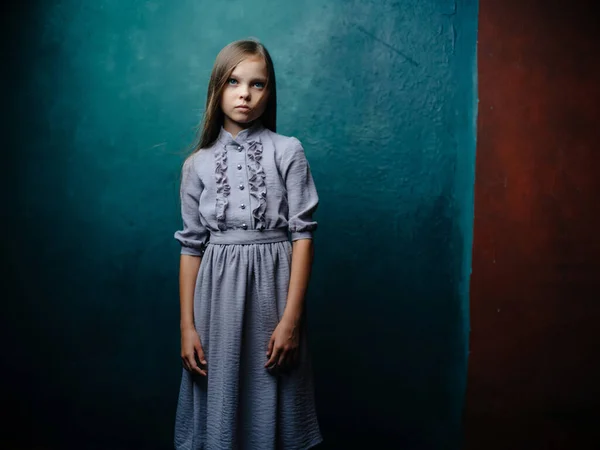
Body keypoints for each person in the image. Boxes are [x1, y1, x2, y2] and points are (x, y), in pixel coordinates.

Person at [173, 38, 323, 450]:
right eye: (234, 82)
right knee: (219, 407)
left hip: (274, 298)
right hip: (215, 303)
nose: (245, 93)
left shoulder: (288, 151)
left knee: (276, 398)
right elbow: (191, 247)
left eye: (258, 84)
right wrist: (187, 327)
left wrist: (291, 320)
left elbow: (302, 235)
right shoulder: (197, 165)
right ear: (217, 88)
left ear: (270, 92)